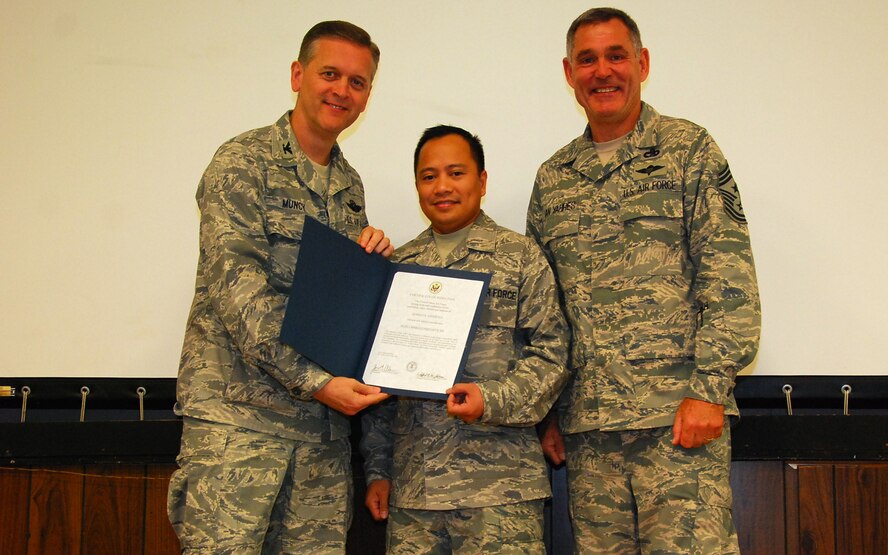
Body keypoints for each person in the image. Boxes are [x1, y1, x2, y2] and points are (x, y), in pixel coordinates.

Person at [527, 8, 761, 554]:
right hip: (590, 434)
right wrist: (549, 410)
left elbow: (729, 275)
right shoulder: (553, 178)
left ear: (642, 63)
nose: (602, 71)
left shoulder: (688, 150)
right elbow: (543, 312)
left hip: (678, 424)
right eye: (587, 59)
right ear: (569, 73)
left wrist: (708, 390)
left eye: (616, 56)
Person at [168, 20, 393, 554]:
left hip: (320, 437)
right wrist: (316, 381)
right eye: (330, 73)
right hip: (238, 426)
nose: (342, 90)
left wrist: (373, 268)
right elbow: (240, 295)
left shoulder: (349, 187)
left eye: (357, 82)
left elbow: (335, 304)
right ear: (298, 74)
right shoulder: (241, 164)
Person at [361, 125, 570, 554]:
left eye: (456, 173)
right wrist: (378, 470)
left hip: (499, 493)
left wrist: (491, 400)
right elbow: (377, 380)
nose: (442, 187)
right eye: (428, 176)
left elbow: (552, 356)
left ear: (482, 181)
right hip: (413, 494)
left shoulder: (520, 256)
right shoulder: (398, 266)